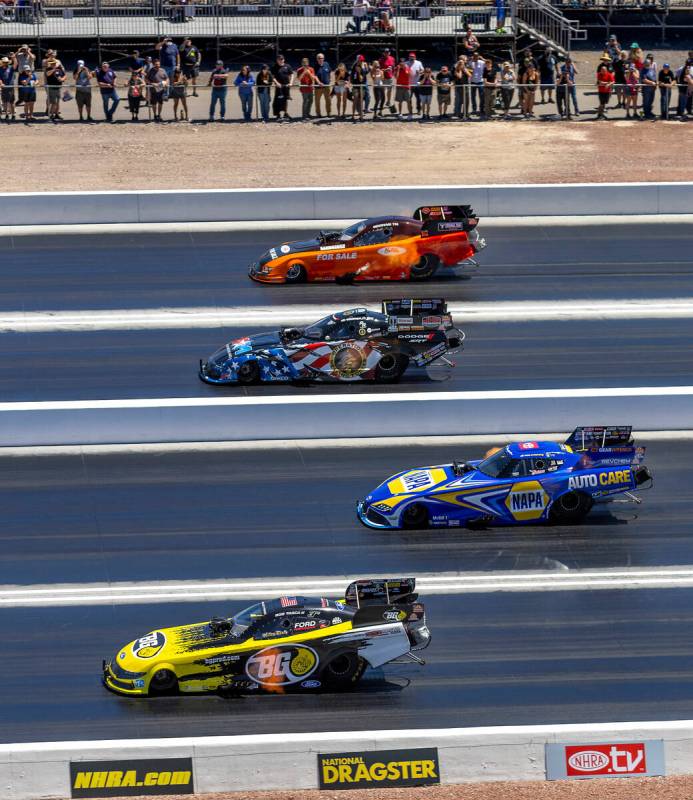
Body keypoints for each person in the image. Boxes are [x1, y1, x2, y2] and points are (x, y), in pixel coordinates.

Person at [271, 53, 293, 121]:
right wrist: (277, 83)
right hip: (279, 87)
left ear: (284, 59)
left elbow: (292, 74)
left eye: (282, 59)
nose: (281, 60)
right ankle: (278, 114)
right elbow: (272, 77)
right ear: (277, 60)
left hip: (286, 86)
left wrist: (291, 82)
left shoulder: (287, 66)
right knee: (278, 100)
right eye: (279, 59)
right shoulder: (274, 67)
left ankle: (285, 113)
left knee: (285, 100)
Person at [44, 56, 65, 122]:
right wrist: (54, 69)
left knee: (58, 102)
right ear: (50, 64)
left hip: (58, 87)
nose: (53, 64)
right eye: (52, 63)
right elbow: (47, 74)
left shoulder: (60, 69)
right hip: (52, 88)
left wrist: (62, 79)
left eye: (54, 63)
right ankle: (51, 115)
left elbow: (64, 75)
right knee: (53, 103)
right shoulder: (48, 69)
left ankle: (56, 114)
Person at [349, 55, 367, 121]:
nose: (362, 61)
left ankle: (361, 115)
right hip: (356, 86)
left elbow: (362, 78)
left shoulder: (363, 67)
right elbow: (353, 77)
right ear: (358, 60)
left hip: (362, 86)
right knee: (355, 100)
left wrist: (360, 72)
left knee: (360, 101)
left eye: (362, 60)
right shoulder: (354, 67)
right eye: (361, 60)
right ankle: (353, 115)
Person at [640, 54, 657, 120]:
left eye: (648, 64)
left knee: (651, 101)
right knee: (646, 101)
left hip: (652, 88)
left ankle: (649, 112)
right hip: (646, 89)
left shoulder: (651, 69)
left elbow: (654, 76)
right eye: (646, 64)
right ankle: (646, 114)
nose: (647, 65)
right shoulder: (643, 70)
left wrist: (655, 83)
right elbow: (644, 79)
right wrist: (652, 82)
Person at [314, 53, 331, 117]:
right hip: (318, 87)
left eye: (321, 58)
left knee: (328, 100)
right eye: (319, 58)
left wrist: (329, 80)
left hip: (326, 87)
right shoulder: (315, 66)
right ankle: (318, 114)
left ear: (323, 58)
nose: (320, 59)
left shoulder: (327, 64)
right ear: (317, 59)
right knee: (317, 101)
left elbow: (329, 72)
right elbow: (314, 76)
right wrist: (319, 82)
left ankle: (328, 113)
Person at [379, 48, 395, 113]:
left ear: (389, 53)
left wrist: (392, 73)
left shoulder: (392, 58)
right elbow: (378, 69)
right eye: (385, 52)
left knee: (389, 90)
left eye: (388, 52)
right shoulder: (381, 60)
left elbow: (393, 67)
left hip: (390, 77)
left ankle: (388, 101)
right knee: (383, 91)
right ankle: (382, 102)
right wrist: (385, 70)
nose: (386, 53)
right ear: (383, 53)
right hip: (383, 77)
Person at [0, 56, 15, 121]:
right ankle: (6, 114)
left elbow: (16, 64)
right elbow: (0, 78)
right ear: (2, 62)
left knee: (12, 102)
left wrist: (14, 58)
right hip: (4, 88)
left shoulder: (11, 68)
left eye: (6, 62)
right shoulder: (0, 69)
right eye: (4, 62)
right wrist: (1, 83)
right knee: (5, 102)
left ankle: (13, 115)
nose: (5, 63)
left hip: (10, 87)